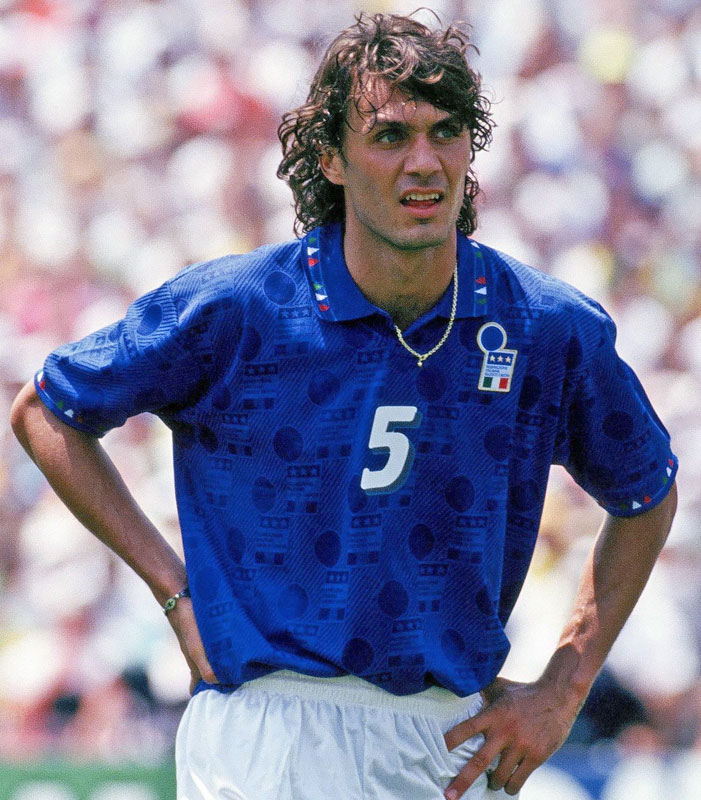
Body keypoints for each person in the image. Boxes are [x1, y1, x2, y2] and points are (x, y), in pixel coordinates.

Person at [10, 11, 677, 800]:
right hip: (264, 733)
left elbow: (646, 490)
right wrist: (175, 592)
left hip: (447, 737)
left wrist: (564, 686)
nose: (423, 161)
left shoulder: (544, 326)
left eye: (445, 132)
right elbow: (47, 410)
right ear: (329, 157)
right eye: (390, 136)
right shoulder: (238, 308)